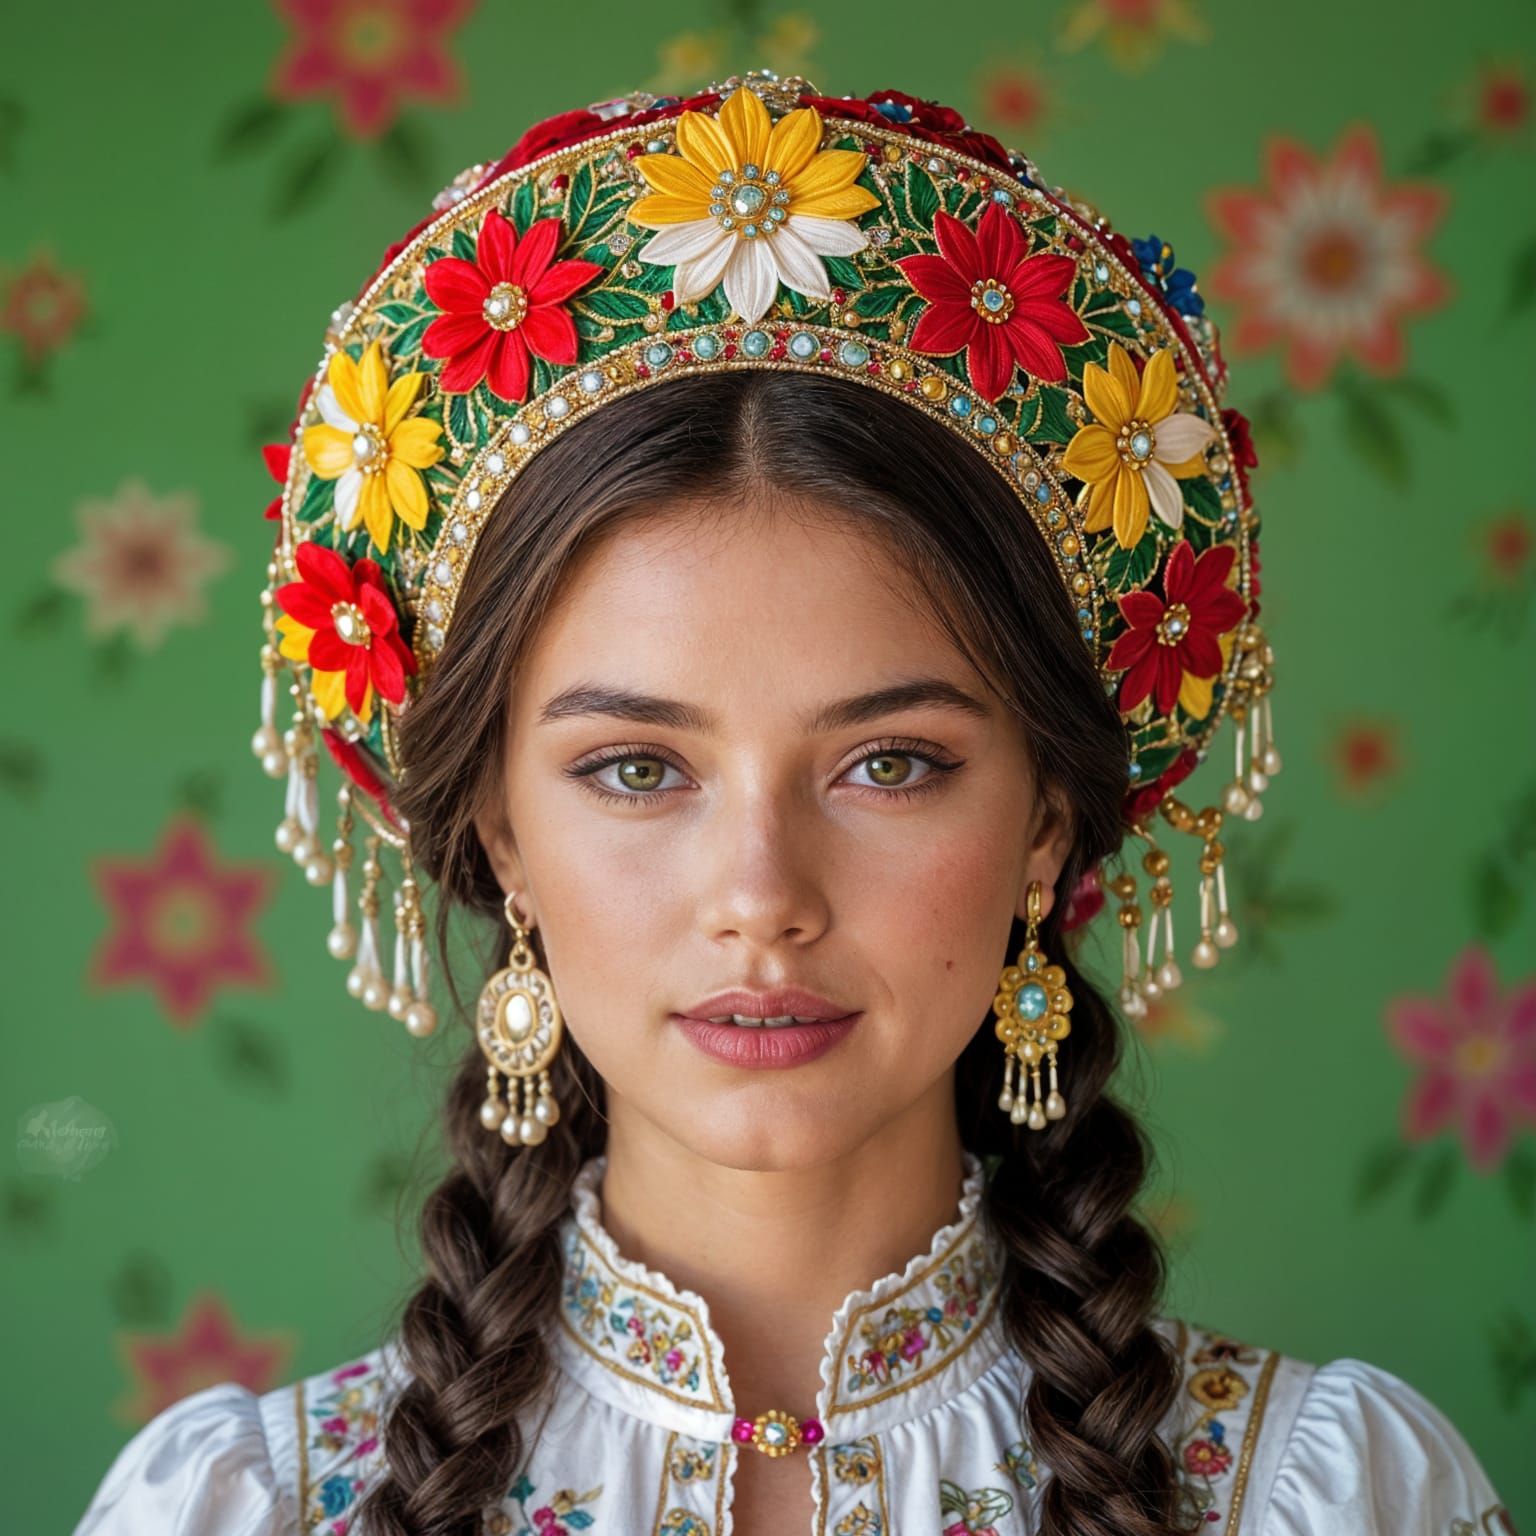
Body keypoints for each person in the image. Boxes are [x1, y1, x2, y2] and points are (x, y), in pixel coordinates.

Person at [74, 71, 1512, 1536]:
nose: (761, 892)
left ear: (1046, 828)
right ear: (504, 837)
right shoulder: (243, 1506)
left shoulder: (1327, 1495)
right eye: (638, 770)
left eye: (889, 763)